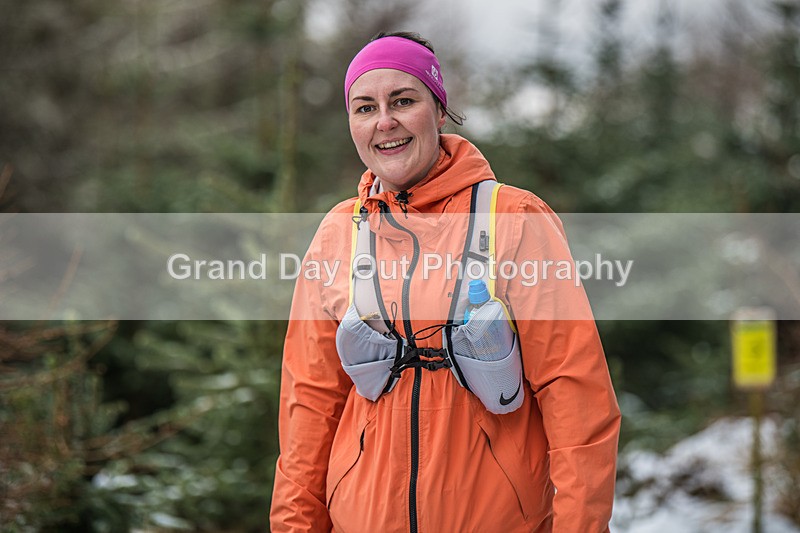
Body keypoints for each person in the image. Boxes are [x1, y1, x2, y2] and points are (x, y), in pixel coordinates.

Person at [270, 31, 621, 532]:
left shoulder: (515, 219)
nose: (385, 122)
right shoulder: (337, 235)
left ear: (438, 110)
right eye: (365, 107)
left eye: (403, 101)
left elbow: (577, 399)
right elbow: (307, 407)